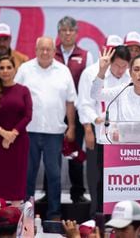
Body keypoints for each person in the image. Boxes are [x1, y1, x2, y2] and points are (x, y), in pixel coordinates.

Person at [14, 36, 76, 220]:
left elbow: (70, 101)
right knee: (28, 174)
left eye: (48, 49)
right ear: (35, 50)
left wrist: (71, 126)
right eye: (41, 49)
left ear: (54, 51)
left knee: (54, 176)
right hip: (29, 131)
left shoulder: (63, 71)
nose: (45, 52)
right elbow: (15, 96)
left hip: (54, 133)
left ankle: (54, 214)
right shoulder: (25, 69)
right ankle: (26, 214)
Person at [77, 42, 130, 218]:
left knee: (121, 178)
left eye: (124, 66)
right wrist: (91, 124)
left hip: (124, 136)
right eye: (117, 65)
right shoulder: (93, 73)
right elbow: (85, 102)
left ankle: (121, 214)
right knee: (97, 175)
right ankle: (97, 213)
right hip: (99, 131)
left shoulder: (130, 77)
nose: (121, 70)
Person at [54, 16, 94, 205]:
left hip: (76, 113)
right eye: (63, 30)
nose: (67, 33)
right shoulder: (50, 54)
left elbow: (88, 86)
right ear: (59, 33)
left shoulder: (86, 55)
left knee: (75, 153)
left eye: (71, 30)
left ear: (77, 33)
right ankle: (49, 191)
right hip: (53, 111)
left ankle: (77, 192)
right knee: (52, 154)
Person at [0, 56, 32, 206]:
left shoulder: (23, 91)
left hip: (19, 143)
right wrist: (4, 133)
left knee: (17, 180)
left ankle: (15, 221)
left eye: (8, 67)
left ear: (15, 69)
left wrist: (12, 135)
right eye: (1, 68)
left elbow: (28, 116)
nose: (5, 71)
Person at [91, 51, 140, 141]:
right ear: (130, 73)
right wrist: (102, 71)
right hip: (121, 150)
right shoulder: (122, 91)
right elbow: (95, 94)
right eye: (136, 69)